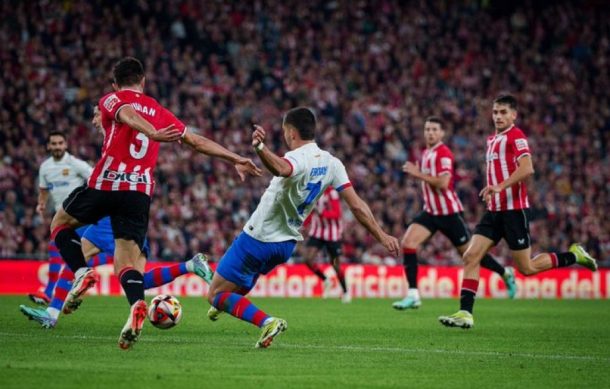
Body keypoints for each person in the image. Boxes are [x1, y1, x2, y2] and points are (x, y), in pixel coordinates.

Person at [50, 57, 261, 350]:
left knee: (60, 224)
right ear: (143, 80)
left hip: (107, 183)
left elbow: (124, 113)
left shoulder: (112, 99)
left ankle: (81, 271)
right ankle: (137, 304)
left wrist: (149, 132)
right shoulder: (160, 111)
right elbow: (197, 142)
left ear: (115, 83)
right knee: (126, 261)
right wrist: (235, 157)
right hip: (138, 194)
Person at [205, 107, 400, 348]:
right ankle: (226, 305)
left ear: (291, 132)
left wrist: (259, 148)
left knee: (214, 295)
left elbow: (282, 169)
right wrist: (381, 235)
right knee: (233, 287)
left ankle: (267, 321)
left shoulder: (297, 157)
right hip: (285, 245)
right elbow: (357, 206)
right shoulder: (332, 163)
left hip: (258, 237)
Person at [438, 94, 598, 329]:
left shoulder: (516, 136)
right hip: (493, 211)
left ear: (514, 115)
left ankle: (575, 255)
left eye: (503, 112)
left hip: (514, 211)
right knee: (471, 256)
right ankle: (465, 312)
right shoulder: (492, 139)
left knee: (527, 268)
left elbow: (528, 168)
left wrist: (500, 186)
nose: (498, 116)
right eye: (495, 112)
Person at [392, 116, 516, 310]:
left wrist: (418, 174)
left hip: (449, 213)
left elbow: (443, 183)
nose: (430, 133)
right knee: (408, 243)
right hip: (431, 212)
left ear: (442, 133)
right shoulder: (426, 153)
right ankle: (413, 294)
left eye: (434, 129)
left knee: (471, 255)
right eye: (427, 129)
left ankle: (505, 272)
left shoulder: (444, 153)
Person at [19, 216, 213, 328]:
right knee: (137, 280)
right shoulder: (142, 165)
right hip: (136, 219)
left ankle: (52, 313)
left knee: (75, 261)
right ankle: (189, 265)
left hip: (108, 219)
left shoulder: (105, 164)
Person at [28, 131, 93, 306]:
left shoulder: (75, 164)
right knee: (57, 251)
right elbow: (43, 190)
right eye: (54, 144)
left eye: (60, 143)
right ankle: (58, 292)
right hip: (61, 217)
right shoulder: (45, 167)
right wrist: (41, 204)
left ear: (65, 144)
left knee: (73, 252)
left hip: (80, 217)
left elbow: (95, 178)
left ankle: (56, 292)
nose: (57, 146)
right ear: (48, 146)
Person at [302, 186, 350, 303]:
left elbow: (337, 214)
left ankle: (345, 291)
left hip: (332, 235)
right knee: (308, 259)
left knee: (334, 264)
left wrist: (322, 213)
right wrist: (304, 224)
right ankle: (325, 280)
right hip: (317, 232)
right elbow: (310, 210)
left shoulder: (332, 193)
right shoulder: (313, 192)